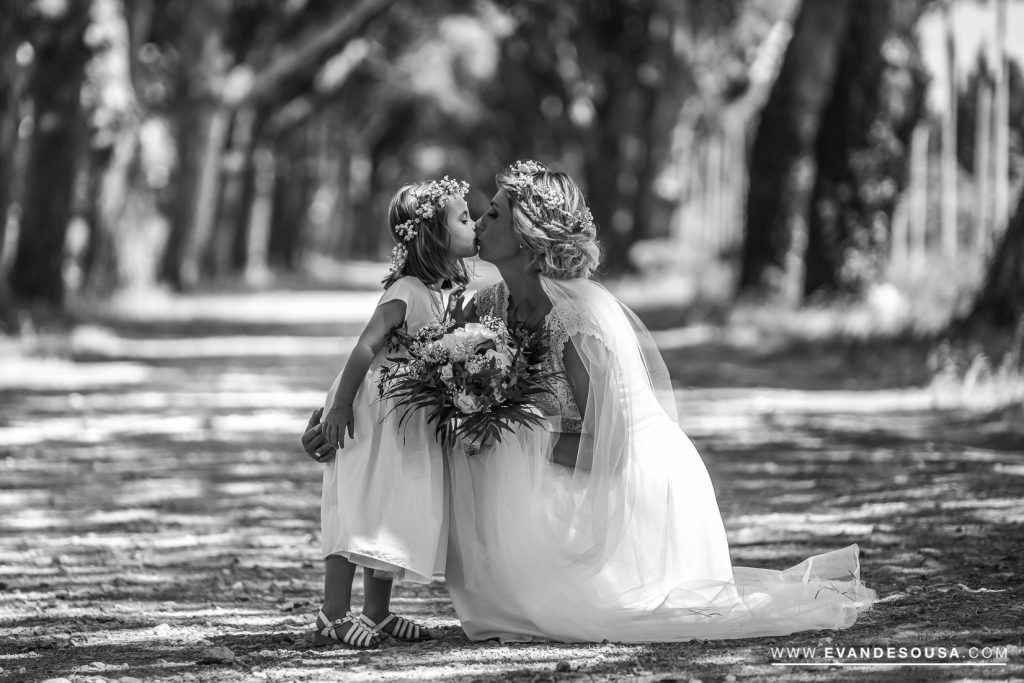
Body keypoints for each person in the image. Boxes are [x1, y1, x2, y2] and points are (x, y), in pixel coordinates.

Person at [303, 161, 876, 643]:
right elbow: (409, 368)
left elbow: (615, 450)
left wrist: (518, 438)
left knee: (490, 442)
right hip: (567, 464)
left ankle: (541, 578)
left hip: (625, 483)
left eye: (495, 214)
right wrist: (340, 418)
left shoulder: (576, 323)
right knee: (461, 434)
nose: (479, 221)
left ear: (528, 244)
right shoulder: (489, 305)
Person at [309, 176, 476, 648]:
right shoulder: (407, 288)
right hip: (368, 409)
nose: (474, 223)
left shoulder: (440, 291)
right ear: (435, 236)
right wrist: (340, 407)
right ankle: (332, 615)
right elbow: (367, 344)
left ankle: (377, 612)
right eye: (464, 218)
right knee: (356, 502)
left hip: (401, 415)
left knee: (391, 506)